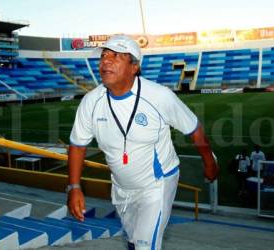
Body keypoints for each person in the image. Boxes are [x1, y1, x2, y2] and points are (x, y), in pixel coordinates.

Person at [67, 35, 219, 250]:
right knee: (132, 240)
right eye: (103, 56)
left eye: (116, 56)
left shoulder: (159, 96)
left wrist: (209, 163)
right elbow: (77, 144)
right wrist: (74, 187)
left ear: (134, 67)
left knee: (145, 245)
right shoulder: (91, 102)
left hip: (157, 183)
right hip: (121, 187)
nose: (106, 61)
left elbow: (194, 129)